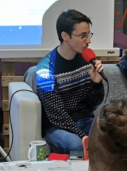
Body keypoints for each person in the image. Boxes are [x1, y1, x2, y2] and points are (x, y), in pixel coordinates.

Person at [35, 9, 105, 154]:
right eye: (83, 36)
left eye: (89, 35)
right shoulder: (45, 69)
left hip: (85, 120)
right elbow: (57, 116)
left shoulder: (87, 61)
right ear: (65, 36)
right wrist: (84, 137)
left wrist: (96, 83)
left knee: (112, 133)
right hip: (57, 126)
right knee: (76, 145)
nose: (89, 41)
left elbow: (93, 104)